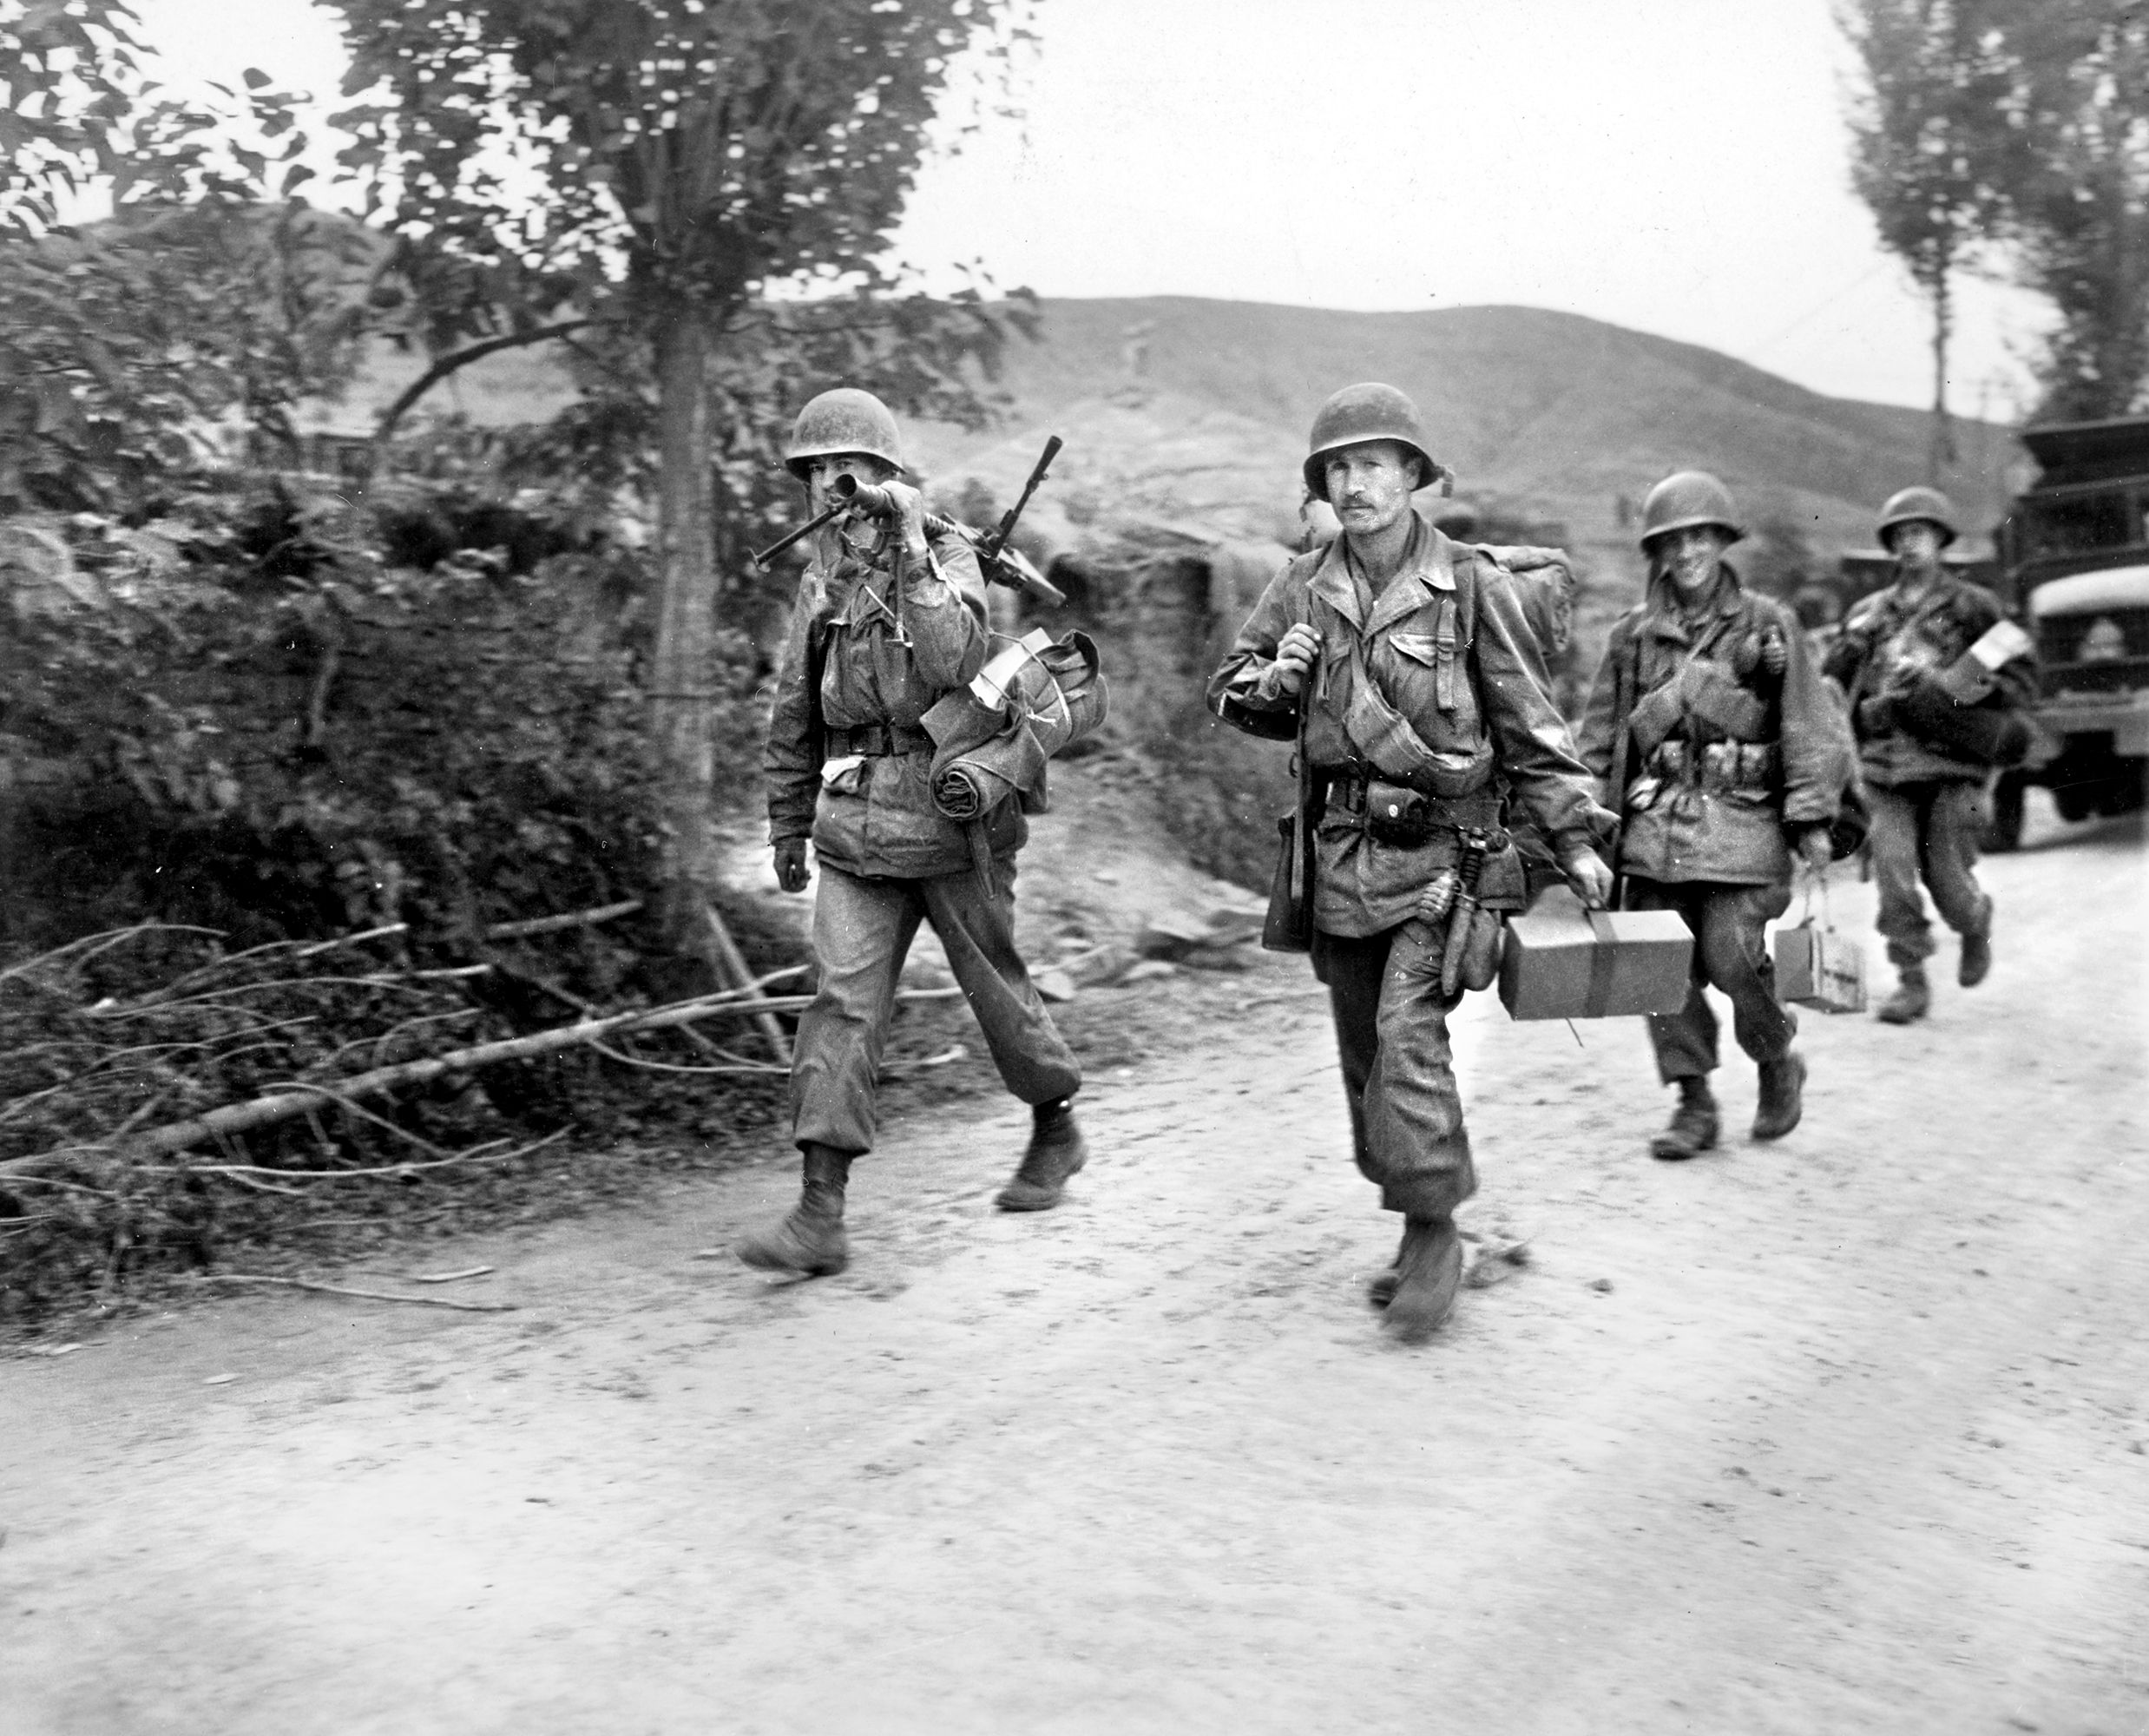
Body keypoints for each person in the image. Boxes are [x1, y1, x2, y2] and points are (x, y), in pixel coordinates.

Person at [1209, 383, 1616, 1344]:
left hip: (1443, 857)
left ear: (1414, 477)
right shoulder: (1302, 582)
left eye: (1373, 465)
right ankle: (1409, 1213)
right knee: (1364, 1058)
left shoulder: (1471, 582)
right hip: (1336, 855)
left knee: (1409, 1035)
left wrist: (1575, 836)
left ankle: (1435, 1231)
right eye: (1338, 468)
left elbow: (1529, 722)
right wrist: (1274, 682)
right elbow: (1233, 694)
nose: (1355, 484)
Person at [738, 387, 1087, 1279]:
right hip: (853, 825)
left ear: (887, 475)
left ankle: (1055, 1123)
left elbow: (954, 662)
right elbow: (792, 711)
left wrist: (914, 552)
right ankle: (820, 1209)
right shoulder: (818, 582)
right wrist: (785, 822)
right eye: (815, 471)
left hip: (952, 812)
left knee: (994, 986)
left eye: (845, 469)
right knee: (840, 1002)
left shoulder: (947, 555)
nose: (829, 485)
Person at [1578, 471, 1855, 1161]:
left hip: (1745, 825)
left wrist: (1814, 816)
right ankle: (1693, 1100)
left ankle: (1775, 1058)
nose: (1689, 552)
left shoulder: (1768, 625)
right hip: (1656, 829)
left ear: (1723, 541)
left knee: (1734, 957)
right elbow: (1601, 734)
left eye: (1701, 536)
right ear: (1659, 551)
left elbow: (1809, 723)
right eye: (1675, 540)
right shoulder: (1633, 638)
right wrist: (1578, 828)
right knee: (1655, 964)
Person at [1821, 486, 2034, 1024]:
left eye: (1920, 532)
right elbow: (1831, 688)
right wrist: (1851, 649)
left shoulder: (1973, 606)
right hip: (1885, 765)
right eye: (1901, 534)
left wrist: (1946, 684)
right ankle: (1911, 980)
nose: (1910, 543)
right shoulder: (1869, 614)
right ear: (1890, 545)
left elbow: (2020, 675)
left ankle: (1975, 921)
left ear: (1940, 540)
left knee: (1949, 880)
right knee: (1893, 873)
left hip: (1952, 763)